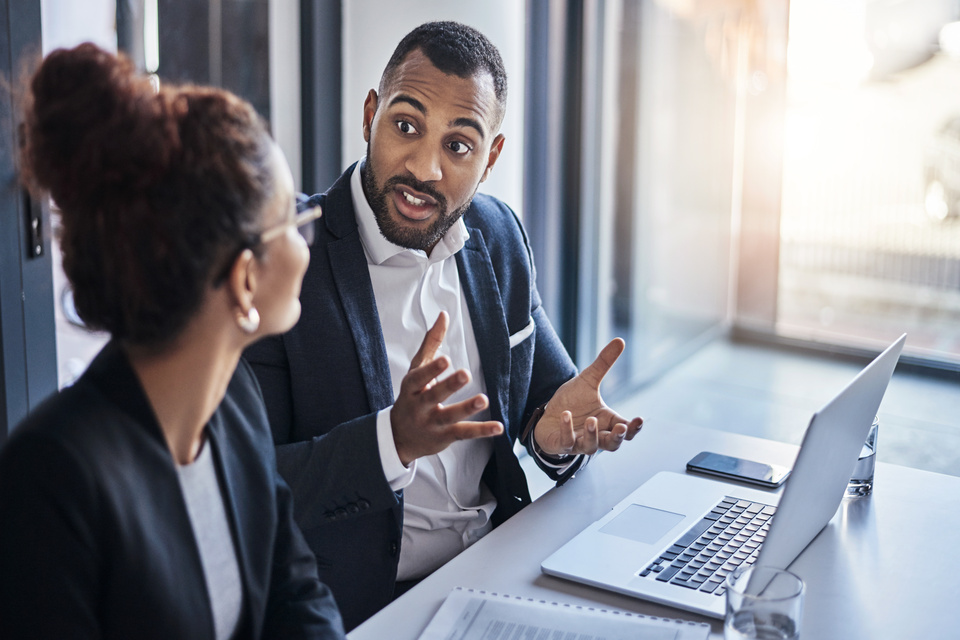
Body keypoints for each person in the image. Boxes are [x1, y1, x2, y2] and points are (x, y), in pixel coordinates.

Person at [244, 21, 643, 630]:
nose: (425, 168)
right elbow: (250, 483)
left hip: (501, 568)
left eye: (458, 145)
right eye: (406, 126)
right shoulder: (288, 256)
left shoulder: (498, 234)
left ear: (491, 159)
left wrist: (558, 439)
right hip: (364, 605)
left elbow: (551, 410)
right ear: (370, 115)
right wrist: (392, 442)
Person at [0, 44, 344, 640]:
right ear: (244, 279)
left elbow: (295, 589)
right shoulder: (51, 476)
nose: (306, 244)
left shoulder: (234, 397)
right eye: (292, 221)